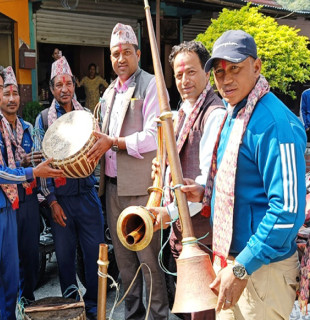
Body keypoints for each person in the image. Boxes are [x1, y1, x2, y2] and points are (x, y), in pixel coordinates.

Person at [181, 30, 306, 319]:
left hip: (262, 271)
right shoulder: (236, 113)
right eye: (219, 72)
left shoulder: (274, 123)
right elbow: (241, 181)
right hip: (234, 263)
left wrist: (241, 268)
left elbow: (287, 210)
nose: (225, 79)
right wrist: (206, 193)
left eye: (235, 68)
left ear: (257, 66)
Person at [0, 62, 62, 320]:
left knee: (11, 281)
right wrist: (32, 173)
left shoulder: (2, 125)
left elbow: (13, 161)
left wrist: (30, 163)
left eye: (0, 88)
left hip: (7, 210)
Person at [86, 23, 169, 320]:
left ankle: (157, 315)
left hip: (141, 188)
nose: (120, 59)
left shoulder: (151, 85)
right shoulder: (108, 92)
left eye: (126, 53)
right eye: (114, 54)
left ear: (138, 53)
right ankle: (133, 314)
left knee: (148, 260)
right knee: (124, 260)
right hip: (111, 187)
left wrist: (116, 142)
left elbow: (154, 137)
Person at [148, 41, 226, 320]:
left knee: (203, 311)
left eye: (191, 72)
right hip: (181, 231)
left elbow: (206, 186)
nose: (184, 80)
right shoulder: (181, 111)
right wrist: (164, 167)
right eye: (179, 75)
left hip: (203, 233)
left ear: (206, 72)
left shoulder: (213, 114)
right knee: (186, 309)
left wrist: (165, 214)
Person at [35, 56, 104, 320]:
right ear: (51, 89)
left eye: (68, 83)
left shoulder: (86, 116)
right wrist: (51, 201)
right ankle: (70, 310)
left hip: (87, 196)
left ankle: (95, 308)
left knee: (95, 255)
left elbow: (97, 152)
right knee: (64, 260)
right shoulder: (44, 119)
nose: (64, 89)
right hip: (60, 200)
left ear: (74, 85)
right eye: (58, 85)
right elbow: (41, 163)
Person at [1, 66, 44, 303]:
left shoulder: (28, 128)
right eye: (6, 93)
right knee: (9, 258)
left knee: (30, 255)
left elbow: (41, 158)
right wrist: (23, 162)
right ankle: (11, 306)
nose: (11, 99)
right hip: (7, 201)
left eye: (15, 93)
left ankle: (28, 300)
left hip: (29, 200)